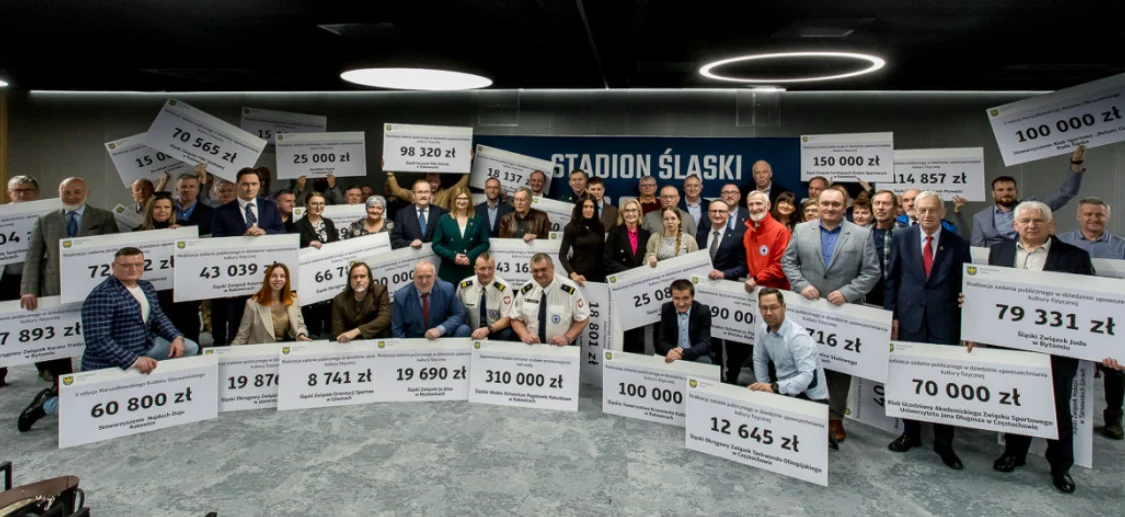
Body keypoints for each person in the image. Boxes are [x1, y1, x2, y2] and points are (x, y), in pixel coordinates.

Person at [979, 200, 1122, 494]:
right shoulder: (999, 252)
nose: (1031, 225)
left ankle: (1060, 466)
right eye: (1025, 221)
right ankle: (1014, 452)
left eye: (1038, 220)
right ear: (1015, 225)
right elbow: (988, 295)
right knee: (1016, 401)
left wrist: (1109, 348)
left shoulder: (1074, 257)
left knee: (1057, 408)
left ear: (1051, 225)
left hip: (1056, 348)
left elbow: (1094, 304)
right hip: (1011, 345)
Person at [18, 247, 199, 432]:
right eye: (126, 265)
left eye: (138, 264)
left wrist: (176, 337)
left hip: (145, 346)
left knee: (190, 348)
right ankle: (47, 404)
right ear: (114, 266)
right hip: (110, 360)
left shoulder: (147, 287)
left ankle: (147, 390)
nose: (133, 269)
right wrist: (134, 361)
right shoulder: (102, 295)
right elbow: (98, 341)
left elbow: (158, 317)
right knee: (95, 410)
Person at [781, 187, 880, 443]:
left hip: (843, 311)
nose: (830, 208)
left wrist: (847, 293)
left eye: (836, 204)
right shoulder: (802, 230)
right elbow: (788, 262)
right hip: (808, 308)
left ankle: (834, 417)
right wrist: (802, 285)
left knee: (838, 365)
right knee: (803, 358)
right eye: (825, 203)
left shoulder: (861, 234)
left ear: (844, 206)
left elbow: (871, 272)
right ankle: (802, 409)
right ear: (819, 204)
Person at [883, 191, 972, 470]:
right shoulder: (902, 237)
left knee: (943, 381)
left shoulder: (959, 244)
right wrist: (892, 316)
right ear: (914, 212)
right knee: (908, 378)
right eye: (922, 210)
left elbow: (966, 287)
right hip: (910, 319)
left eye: (933, 210)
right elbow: (892, 279)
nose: (927, 215)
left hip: (944, 322)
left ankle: (944, 443)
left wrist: (969, 324)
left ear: (942, 212)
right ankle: (910, 433)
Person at [20, 177, 118, 385]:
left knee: (97, 334)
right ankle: (60, 384)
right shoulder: (45, 220)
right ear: (59, 192)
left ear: (86, 193)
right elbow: (33, 257)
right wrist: (29, 289)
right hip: (55, 288)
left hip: (93, 288)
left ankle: (96, 382)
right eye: (66, 192)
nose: (71, 196)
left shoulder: (104, 217)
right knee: (59, 339)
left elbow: (113, 254)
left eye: (77, 192)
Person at [1057, 197, 1125, 440]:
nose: (1093, 219)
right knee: (1064, 367)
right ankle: (1062, 416)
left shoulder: (1121, 247)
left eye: (1099, 214)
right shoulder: (1061, 242)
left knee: (1114, 369)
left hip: (1109, 317)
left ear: (1107, 216)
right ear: (1079, 216)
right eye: (1088, 214)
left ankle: (1114, 415)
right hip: (1070, 315)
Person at [210, 168, 287, 346]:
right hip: (237, 275)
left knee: (265, 321)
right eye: (245, 184)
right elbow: (216, 242)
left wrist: (265, 232)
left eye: (254, 184)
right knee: (237, 322)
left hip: (264, 273)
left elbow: (281, 231)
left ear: (259, 185)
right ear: (237, 185)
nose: (250, 188)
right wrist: (240, 240)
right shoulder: (222, 212)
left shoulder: (270, 207)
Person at [971, 146, 1087, 247]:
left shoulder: (1033, 207)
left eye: (1010, 189)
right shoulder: (981, 218)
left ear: (1017, 192)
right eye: (1000, 190)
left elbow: (1067, 192)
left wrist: (1076, 163)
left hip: (1031, 257)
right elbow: (977, 249)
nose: (1006, 193)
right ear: (993, 193)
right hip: (996, 262)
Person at [750, 288, 829, 401]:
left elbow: (807, 376)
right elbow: (759, 359)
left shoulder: (798, 337)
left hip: (811, 397)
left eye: (773, 307)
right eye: (764, 308)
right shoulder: (764, 329)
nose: (768, 313)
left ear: (784, 307)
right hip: (784, 389)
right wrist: (764, 386)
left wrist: (774, 387)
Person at [0, 175, 41, 387]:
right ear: (10, 193)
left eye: (27, 190)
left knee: (40, 322)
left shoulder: (48, 215)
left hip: (37, 279)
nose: (22, 194)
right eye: (17, 190)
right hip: (5, 278)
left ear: (37, 193)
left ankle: (47, 368)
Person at [511, 253, 590, 346]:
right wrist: (525, 336)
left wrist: (567, 338)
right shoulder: (526, 290)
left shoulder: (570, 290)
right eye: (535, 271)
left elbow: (583, 319)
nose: (540, 274)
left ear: (552, 267)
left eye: (543, 269)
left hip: (560, 347)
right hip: (532, 346)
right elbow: (515, 319)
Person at [605, 199, 650, 354]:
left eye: (634, 210)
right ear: (622, 214)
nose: (631, 214)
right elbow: (607, 259)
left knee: (638, 326)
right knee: (623, 325)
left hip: (640, 287)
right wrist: (628, 273)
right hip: (622, 285)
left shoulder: (646, 234)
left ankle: (637, 358)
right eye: (627, 211)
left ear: (639, 213)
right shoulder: (615, 232)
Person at [294, 192, 339, 338]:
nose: (318, 207)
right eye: (314, 203)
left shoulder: (329, 223)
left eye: (321, 203)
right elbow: (293, 249)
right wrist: (308, 245)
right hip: (309, 277)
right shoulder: (297, 226)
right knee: (312, 316)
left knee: (331, 312)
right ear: (306, 205)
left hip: (330, 275)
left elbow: (337, 243)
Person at [232, 263, 311, 344]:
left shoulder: (294, 300)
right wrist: (231, 351)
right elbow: (242, 336)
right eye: (274, 276)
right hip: (262, 350)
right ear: (267, 279)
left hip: (287, 347)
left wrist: (301, 335)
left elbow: (300, 325)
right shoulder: (252, 304)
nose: (278, 279)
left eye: (282, 276)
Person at [391, 261, 471, 339]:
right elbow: (397, 329)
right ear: (414, 278)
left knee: (464, 329)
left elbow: (460, 314)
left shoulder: (447, 289)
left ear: (434, 277)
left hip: (440, 337)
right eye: (420, 277)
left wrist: (440, 329)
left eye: (428, 276)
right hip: (415, 341)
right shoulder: (400, 296)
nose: (424, 281)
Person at [432, 186, 490, 285]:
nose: (462, 201)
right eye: (459, 198)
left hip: (470, 270)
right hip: (449, 271)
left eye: (465, 198)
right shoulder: (444, 219)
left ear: (469, 201)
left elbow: (484, 243)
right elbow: (436, 245)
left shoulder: (478, 220)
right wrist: (453, 256)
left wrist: (470, 257)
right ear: (454, 200)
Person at [456, 253, 516, 341]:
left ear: (494, 268)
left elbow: (507, 319)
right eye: (482, 269)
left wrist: (488, 329)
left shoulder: (504, 288)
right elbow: (457, 313)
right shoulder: (464, 286)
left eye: (490, 268)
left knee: (507, 333)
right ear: (475, 269)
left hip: (493, 331)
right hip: (471, 333)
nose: (486, 273)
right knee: (462, 329)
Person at [655, 279, 712, 363]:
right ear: (672, 297)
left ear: (692, 297)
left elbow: (705, 343)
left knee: (705, 361)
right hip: (673, 353)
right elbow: (662, 341)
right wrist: (673, 352)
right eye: (677, 298)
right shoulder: (666, 309)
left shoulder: (703, 311)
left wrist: (682, 353)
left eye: (685, 298)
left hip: (694, 354)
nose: (681, 303)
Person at [331, 262, 392, 342]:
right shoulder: (339, 299)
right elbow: (338, 332)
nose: (358, 280)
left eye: (362, 276)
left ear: (369, 279)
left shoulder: (379, 291)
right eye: (355, 277)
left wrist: (357, 331)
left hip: (375, 338)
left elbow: (385, 318)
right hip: (350, 342)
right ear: (350, 280)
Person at [866, 190, 905, 307]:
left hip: (898, 296)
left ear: (895, 208)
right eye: (877, 203)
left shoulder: (906, 233)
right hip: (867, 297)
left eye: (886, 204)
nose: (880, 207)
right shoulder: (863, 233)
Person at [559, 196, 607, 286]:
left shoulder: (600, 227)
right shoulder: (571, 227)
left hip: (598, 276)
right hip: (578, 276)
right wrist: (573, 274)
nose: (589, 210)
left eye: (591, 207)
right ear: (579, 208)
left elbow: (601, 252)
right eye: (585, 207)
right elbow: (562, 255)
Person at [385, 163, 470, 210]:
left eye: (436, 182)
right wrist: (390, 173)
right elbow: (396, 191)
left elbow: (460, 186)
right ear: (425, 181)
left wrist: (467, 166)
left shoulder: (445, 194)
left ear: (440, 182)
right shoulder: (414, 194)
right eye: (430, 181)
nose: (433, 184)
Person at [698, 199, 747, 281]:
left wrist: (724, 274)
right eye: (714, 211)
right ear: (708, 214)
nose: (717, 215)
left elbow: (743, 266)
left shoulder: (738, 237)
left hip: (726, 283)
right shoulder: (700, 235)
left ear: (728, 214)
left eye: (721, 211)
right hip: (702, 282)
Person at [391, 179, 448, 249]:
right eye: (419, 192)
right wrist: (410, 243)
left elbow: (448, 238)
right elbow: (395, 240)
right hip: (412, 254)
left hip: (436, 254)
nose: (423, 195)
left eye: (426, 192)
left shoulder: (442, 213)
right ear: (413, 195)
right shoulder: (402, 214)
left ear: (431, 195)